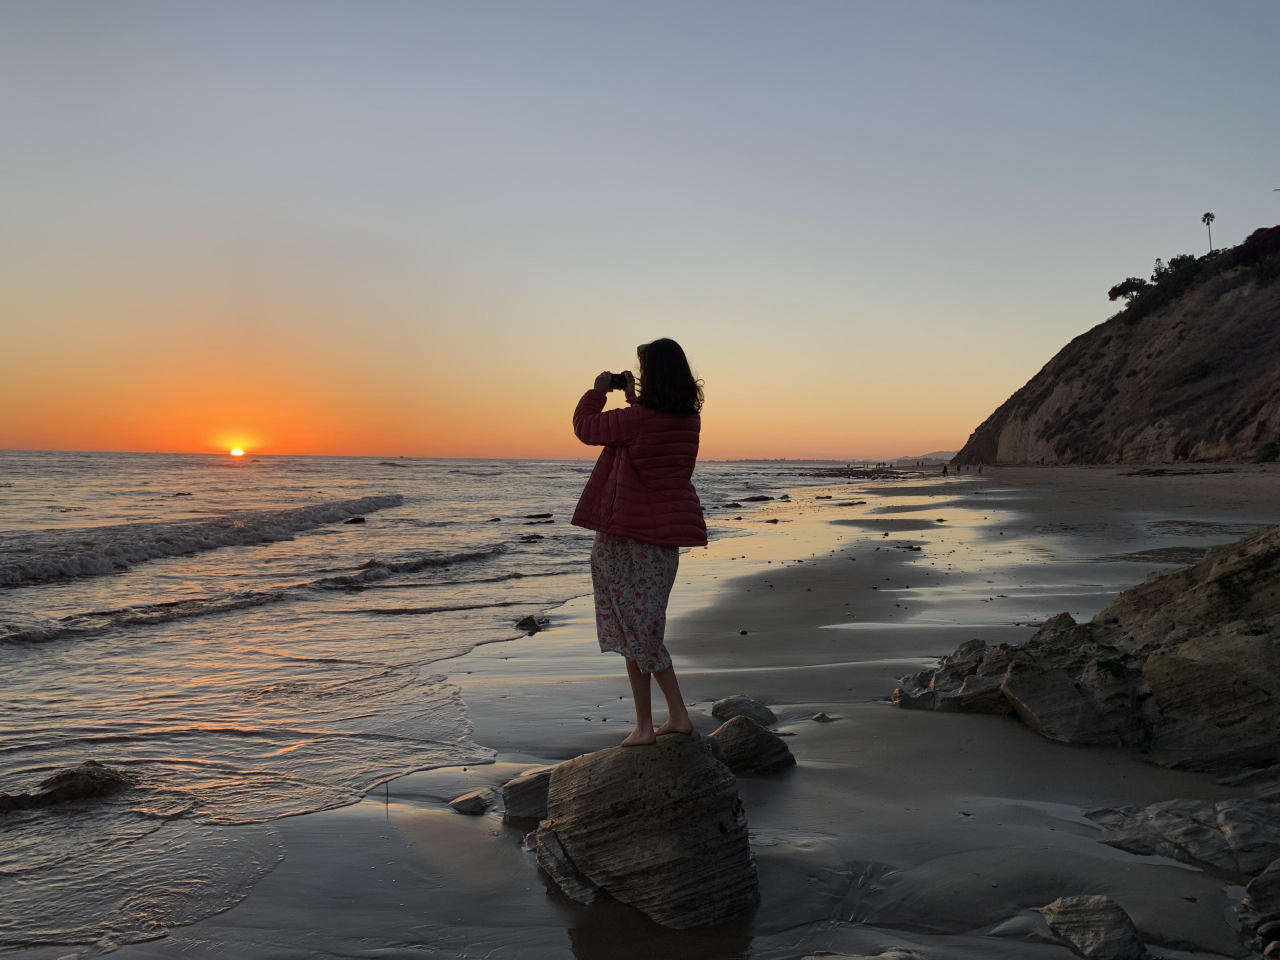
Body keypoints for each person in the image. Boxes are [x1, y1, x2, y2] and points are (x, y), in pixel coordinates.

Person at [571, 338, 707, 747]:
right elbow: (649, 430)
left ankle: (661, 722)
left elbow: (586, 428)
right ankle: (650, 723)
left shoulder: (639, 419)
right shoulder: (688, 421)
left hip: (627, 535)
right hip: (662, 540)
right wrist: (633, 398)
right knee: (642, 628)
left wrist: (597, 389)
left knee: (638, 632)